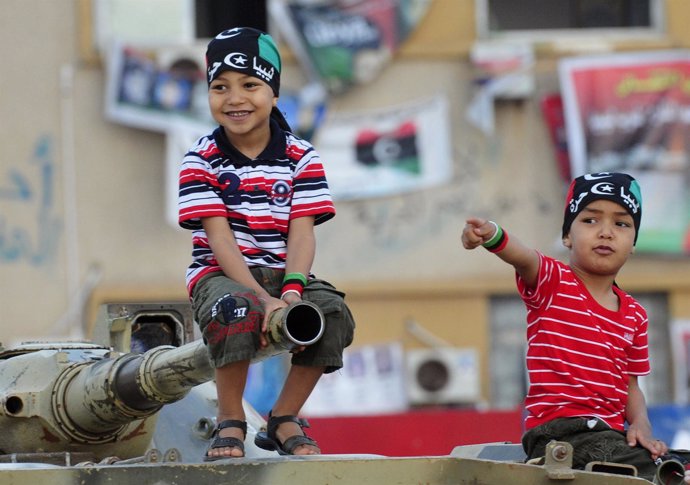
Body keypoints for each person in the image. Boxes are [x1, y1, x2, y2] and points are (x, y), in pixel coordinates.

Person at [178, 27, 355, 460]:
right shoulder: (200, 159)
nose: (234, 98)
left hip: (286, 271)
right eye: (220, 87)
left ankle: (283, 417)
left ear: (274, 93)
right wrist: (260, 296)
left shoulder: (302, 157)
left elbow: (302, 231)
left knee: (332, 315)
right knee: (236, 310)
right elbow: (219, 238)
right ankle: (231, 420)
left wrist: (292, 291)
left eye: (250, 85)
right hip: (221, 274)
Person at [461, 172, 690, 482]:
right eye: (591, 221)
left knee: (676, 461)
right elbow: (524, 257)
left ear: (633, 243)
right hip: (559, 435)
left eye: (621, 224)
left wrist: (640, 423)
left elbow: (631, 385)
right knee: (660, 471)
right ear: (567, 236)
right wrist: (492, 236)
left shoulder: (635, 314)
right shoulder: (553, 282)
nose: (606, 232)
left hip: (610, 437)